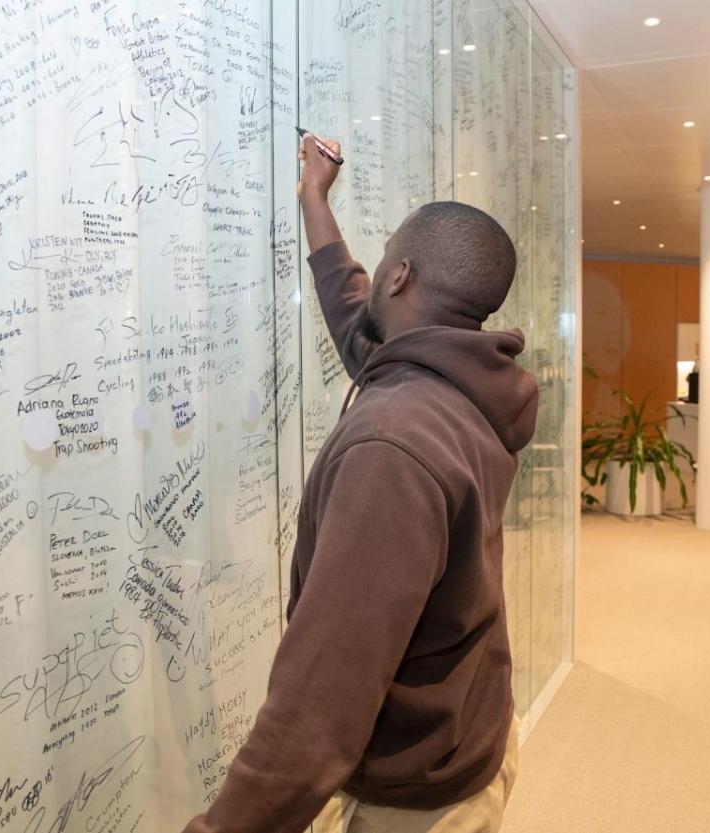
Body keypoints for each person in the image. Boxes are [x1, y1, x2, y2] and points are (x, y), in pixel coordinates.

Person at [181, 135, 536, 833]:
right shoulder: (455, 383)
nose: (370, 277)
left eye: (381, 264)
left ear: (399, 275)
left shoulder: (393, 447)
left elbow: (321, 701)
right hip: (471, 734)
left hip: (416, 800)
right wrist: (315, 196)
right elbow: (353, 308)